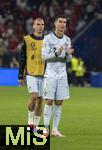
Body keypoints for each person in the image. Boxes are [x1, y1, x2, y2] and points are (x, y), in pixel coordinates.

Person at [42, 15, 74, 137]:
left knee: (59, 102)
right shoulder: (48, 38)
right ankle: (45, 130)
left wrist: (68, 55)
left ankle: (55, 130)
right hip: (50, 74)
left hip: (62, 75)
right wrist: (57, 53)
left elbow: (67, 60)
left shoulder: (67, 40)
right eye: (60, 22)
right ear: (55, 23)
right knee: (49, 101)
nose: (62, 24)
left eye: (64, 22)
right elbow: (44, 56)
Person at [18, 17, 45, 127]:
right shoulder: (27, 39)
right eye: (38, 24)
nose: (40, 26)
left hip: (44, 73)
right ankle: (30, 121)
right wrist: (20, 75)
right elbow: (22, 58)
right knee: (34, 96)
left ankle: (36, 125)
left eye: (42, 25)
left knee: (40, 100)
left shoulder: (47, 40)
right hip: (31, 72)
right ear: (33, 26)